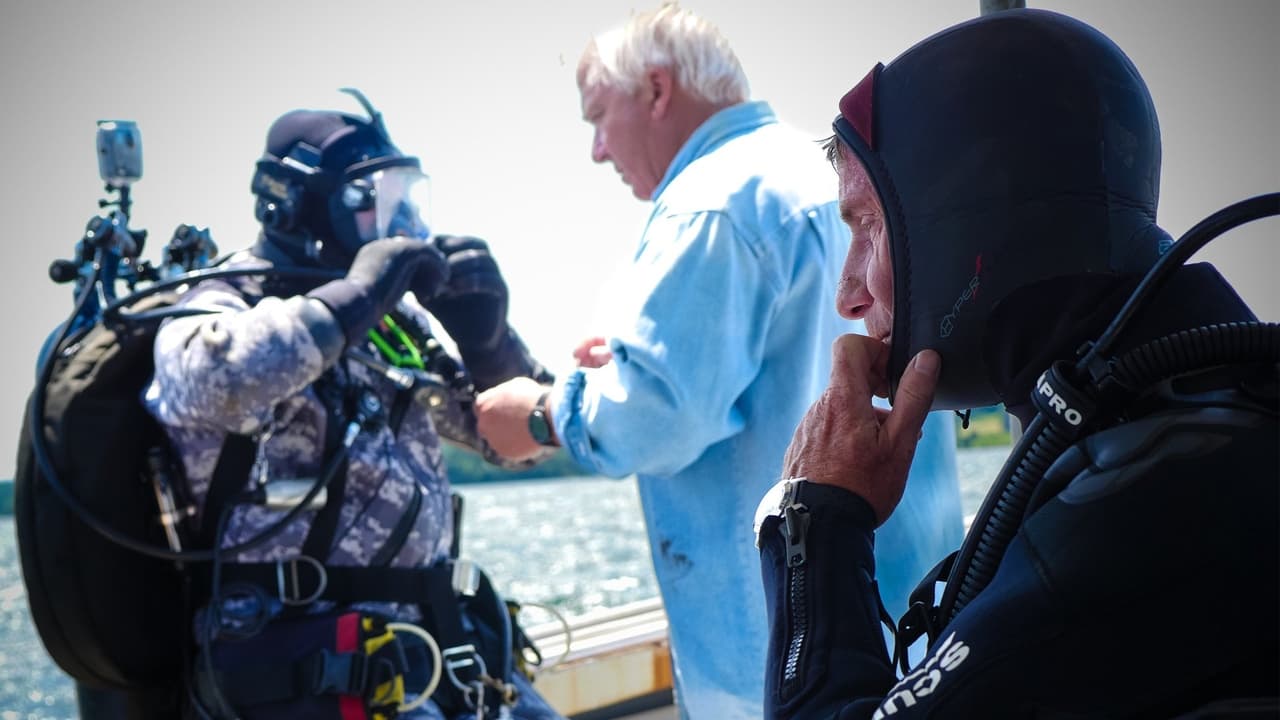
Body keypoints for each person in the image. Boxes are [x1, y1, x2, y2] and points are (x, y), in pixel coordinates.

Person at [757, 8, 1278, 718]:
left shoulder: (1126, 513)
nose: (849, 295)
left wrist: (810, 519)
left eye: (871, 228)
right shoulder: (1214, 413)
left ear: (968, 225)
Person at [473, 5, 963, 718]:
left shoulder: (708, 206)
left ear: (657, 89)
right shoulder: (840, 182)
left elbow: (658, 417)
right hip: (915, 652)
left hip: (783, 672)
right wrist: (642, 359)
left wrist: (546, 415)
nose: (597, 152)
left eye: (597, 117)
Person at [91, 95, 565, 719]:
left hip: (426, 649)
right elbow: (209, 381)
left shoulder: (397, 323)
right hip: (303, 662)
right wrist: (355, 296)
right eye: (371, 197)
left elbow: (513, 448)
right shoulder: (225, 298)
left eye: (405, 195)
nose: (398, 218)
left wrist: (490, 346)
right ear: (292, 203)